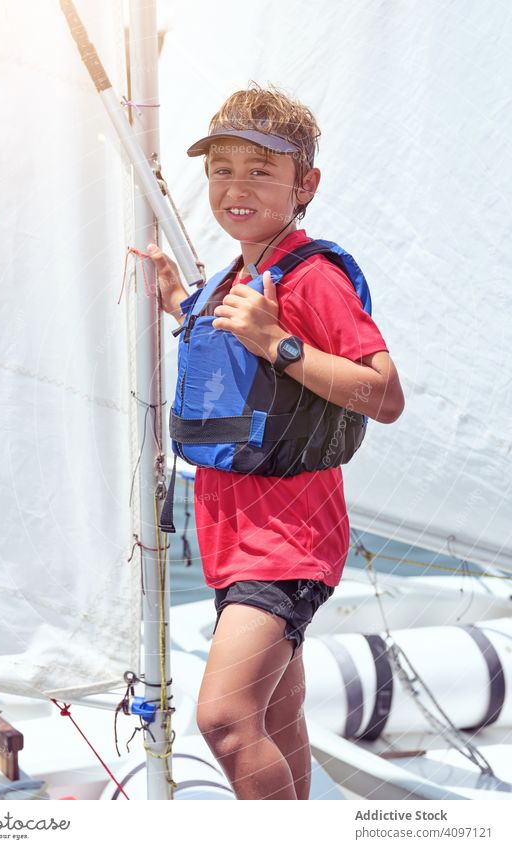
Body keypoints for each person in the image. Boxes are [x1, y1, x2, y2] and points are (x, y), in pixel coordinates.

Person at [146, 82, 405, 800]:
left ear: (304, 186)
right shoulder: (235, 274)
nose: (236, 185)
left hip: (288, 540)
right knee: (278, 719)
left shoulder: (312, 277)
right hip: (231, 536)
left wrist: (280, 342)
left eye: (261, 170)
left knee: (225, 720)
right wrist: (172, 294)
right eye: (222, 168)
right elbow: (217, 338)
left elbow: (386, 395)